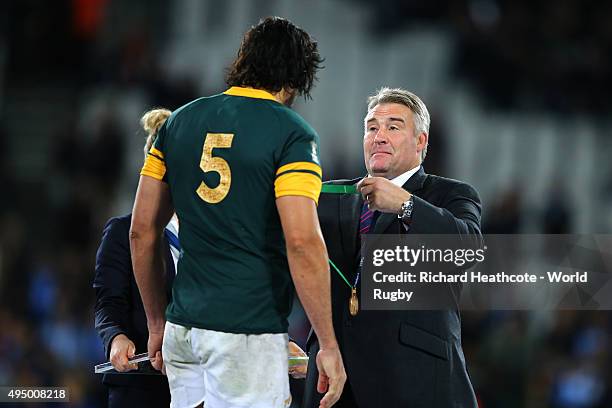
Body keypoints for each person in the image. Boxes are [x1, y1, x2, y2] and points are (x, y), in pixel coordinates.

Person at [130, 16, 346, 408]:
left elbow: (141, 231)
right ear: (297, 78)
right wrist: (327, 343)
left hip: (184, 329)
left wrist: (156, 322)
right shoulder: (292, 134)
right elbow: (301, 241)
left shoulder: (178, 122)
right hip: (247, 330)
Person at [302, 87, 482, 407]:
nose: (379, 136)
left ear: (420, 141)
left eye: (393, 127)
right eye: (372, 127)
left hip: (413, 380)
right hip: (334, 382)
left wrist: (406, 205)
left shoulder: (450, 194)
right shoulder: (331, 197)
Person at [93, 109, 178, 407]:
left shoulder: (209, 235)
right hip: (141, 387)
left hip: (199, 384)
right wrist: (116, 338)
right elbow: (108, 302)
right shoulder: (121, 232)